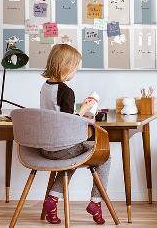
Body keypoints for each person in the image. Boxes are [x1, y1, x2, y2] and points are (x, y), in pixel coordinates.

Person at [40, 44, 110, 225]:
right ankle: (96, 202)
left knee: (70, 159)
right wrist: (85, 110)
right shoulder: (66, 91)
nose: (75, 72)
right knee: (105, 156)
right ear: (66, 67)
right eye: (75, 68)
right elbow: (68, 122)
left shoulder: (45, 87)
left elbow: (57, 116)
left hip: (46, 148)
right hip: (63, 148)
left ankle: (52, 200)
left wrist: (79, 111)